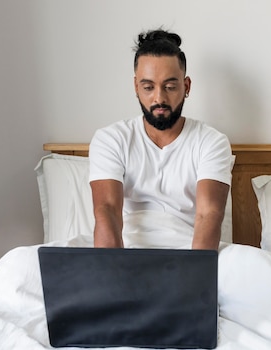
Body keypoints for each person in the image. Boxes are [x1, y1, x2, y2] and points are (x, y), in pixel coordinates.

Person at [88, 29, 233, 250]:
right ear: (136, 87)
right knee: (22, 261)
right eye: (148, 87)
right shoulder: (111, 139)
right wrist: (112, 271)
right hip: (126, 247)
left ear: (186, 87)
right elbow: (107, 209)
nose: (159, 98)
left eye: (170, 87)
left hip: (190, 248)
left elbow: (209, 214)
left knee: (259, 266)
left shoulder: (211, 141)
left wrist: (195, 275)